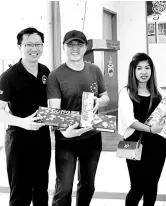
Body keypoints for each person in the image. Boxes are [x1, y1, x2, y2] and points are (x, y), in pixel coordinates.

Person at [47, 30, 110, 206]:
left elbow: (106, 97)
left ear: (86, 47)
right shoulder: (56, 75)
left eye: (79, 45)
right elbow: (55, 111)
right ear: (64, 47)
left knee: (88, 185)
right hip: (66, 138)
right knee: (64, 188)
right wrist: (65, 133)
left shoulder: (94, 70)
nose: (75, 49)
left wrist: (100, 100)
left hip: (91, 136)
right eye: (70, 45)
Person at [0, 27, 51, 206]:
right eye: (29, 44)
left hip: (42, 138)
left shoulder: (45, 72)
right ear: (20, 47)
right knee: (20, 191)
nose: (34, 49)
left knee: (41, 188)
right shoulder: (8, 77)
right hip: (19, 140)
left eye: (38, 44)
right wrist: (23, 123)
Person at [118, 53, 166, 206]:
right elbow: (129, 121)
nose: (144, 72)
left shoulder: (159, 92)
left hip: (157, 145)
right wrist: (151, 129)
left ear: (152, 70)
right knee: (137, 187)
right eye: (139, 68)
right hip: (134, 144)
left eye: (147, 68)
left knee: (151, 186)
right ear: (133, 71)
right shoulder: (126, 92)